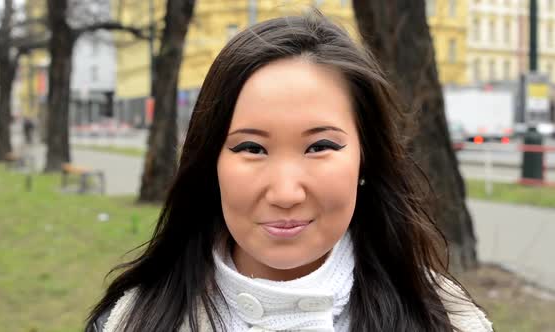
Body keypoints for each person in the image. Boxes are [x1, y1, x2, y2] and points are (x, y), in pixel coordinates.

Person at [86, 12, 493, 332]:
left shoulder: (448, 321)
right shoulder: (131, 321)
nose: (285, 193)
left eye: (320, 146)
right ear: (211, 162)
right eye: (251, 148)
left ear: (366, 159)